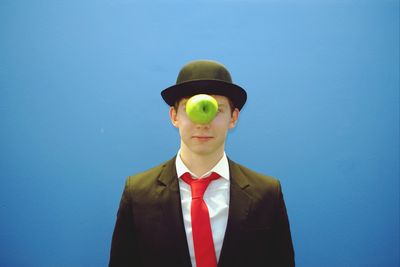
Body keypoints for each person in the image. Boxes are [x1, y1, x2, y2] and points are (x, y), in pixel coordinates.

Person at [109, 60, 295, 267]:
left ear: (233, 118)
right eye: (192, 109)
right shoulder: (138, 193)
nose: (203, 123)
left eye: (216, 110)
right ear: (174, 116)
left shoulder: (266, 194)